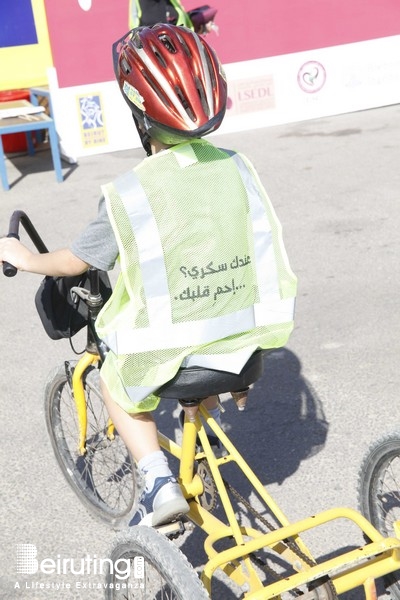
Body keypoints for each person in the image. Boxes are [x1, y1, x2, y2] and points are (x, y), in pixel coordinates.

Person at [0, 24, 297, 527]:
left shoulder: (133, 192)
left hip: (179, 351)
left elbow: (76, 262)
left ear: (141, 114)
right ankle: (204, 425)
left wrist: (24, 258)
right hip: (252, 339)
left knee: (115, 378)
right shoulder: (237, 168)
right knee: (204, 349)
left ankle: (158, 483)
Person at [128, 0, 218, 34]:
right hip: (153, 46)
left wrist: (199, 25)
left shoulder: (172, 3)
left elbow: (180, 19)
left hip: (178, 44)